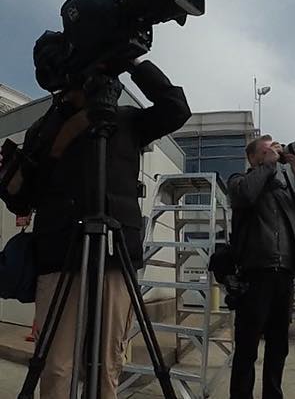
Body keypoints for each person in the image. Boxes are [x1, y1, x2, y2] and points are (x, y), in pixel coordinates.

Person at [2, 58, 190, 399]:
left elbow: (176, 109)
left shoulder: (126, 121)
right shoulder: (46, 128)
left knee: (108, 362)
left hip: (116, 257)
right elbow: (20, 198)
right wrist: (65, 134)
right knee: (58, 364)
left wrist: (134, 63)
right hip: (59, 254)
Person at [228, 135, 295, 399]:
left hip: (285, 274)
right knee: (247, 346)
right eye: (269, 150)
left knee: (279, 345)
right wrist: (268, 166)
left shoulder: (284, 186)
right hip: (256, 274)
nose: (276, 151)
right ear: (255, 157)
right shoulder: (239, 180)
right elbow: (244, 196)